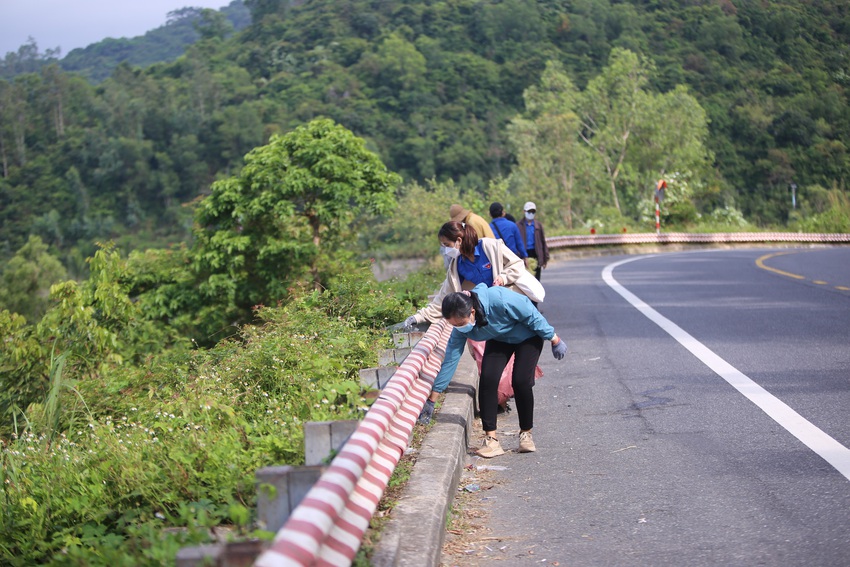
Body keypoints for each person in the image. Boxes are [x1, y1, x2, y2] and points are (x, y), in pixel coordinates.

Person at [403, 221, 541, 415]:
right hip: (479, 317)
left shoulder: (490, 247)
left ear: (458, 240)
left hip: (505, 312)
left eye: (446, 245)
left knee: (512, 367)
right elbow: (443, 298)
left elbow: (516, 264)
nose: (445, 250)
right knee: (485, 363)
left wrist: (503, 277)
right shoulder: (457, 265)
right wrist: (418, 317)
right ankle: (496, 402)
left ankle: (505, 399)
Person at [424, 285, 567, 457]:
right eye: (454, 325)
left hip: (528, 336)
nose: (460, 328)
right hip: (500, 339)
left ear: (472, 311)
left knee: (521, 381)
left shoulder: (500, 300)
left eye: (461, 323)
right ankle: (491, 440)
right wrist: (433, 397)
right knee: (488, 380)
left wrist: (554, 338)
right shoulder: (460, 329)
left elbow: (532, 316)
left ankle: (526, 434)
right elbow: (451, 360)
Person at [516, 201, 550, 281]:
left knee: (536, 279)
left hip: (536, 253)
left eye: (533, 211)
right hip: (523, 253)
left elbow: (542, 242)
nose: (531, 213)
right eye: (529, 211)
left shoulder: (538, 225)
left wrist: (545, 258)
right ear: (524, 211)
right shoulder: (518, 225)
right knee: (525, 278)